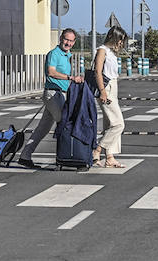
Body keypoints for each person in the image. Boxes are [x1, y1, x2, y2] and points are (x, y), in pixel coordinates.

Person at [19, 28, 85, 169]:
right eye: (66, 39)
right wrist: (71, 78)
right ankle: (63, 158)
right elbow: (51, 72)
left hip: (59, 94)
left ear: (74, 42)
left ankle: (25, 156)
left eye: (71, 41)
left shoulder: (67, 55)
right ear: (61, 38)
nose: (68, 43)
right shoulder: (54, 54)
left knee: (42, 129)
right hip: (53, 94)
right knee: (64, 123)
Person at [92, 26, 127, 168]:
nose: (121, 43)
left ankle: (110, 157)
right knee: (118, 124)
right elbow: (97, 72)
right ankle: (98, 150)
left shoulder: (112, 53)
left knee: (109, 124)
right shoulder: (102, 50)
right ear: (113, 37)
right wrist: (102, 91)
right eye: (120, 40)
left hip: (113, 86)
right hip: (105, 88)